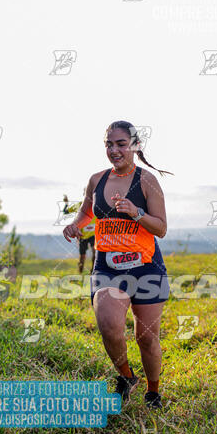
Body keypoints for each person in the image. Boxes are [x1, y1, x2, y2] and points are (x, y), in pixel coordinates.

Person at [63, 121, 173, 409]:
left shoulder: (147, 181)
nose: (114, 150)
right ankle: (126, 377)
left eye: (121, 144)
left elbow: (161, 228)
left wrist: (135, 212)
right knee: (110, 326)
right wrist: (75, 226)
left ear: (134, 146)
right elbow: (87, 212)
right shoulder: (96, 180)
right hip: (108, 267)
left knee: (146, 338)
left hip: (145, 266)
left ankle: (153, 391)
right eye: (109, 145)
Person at [63, 193, 96, 273]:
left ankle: (93, 272)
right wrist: (66, 203)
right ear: (84, 195)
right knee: (82, 257)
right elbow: (66, 211)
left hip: (94, 235)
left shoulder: (97, 204)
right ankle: (80, 273)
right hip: (82, 235)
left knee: (95, 253)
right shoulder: (79, 205)